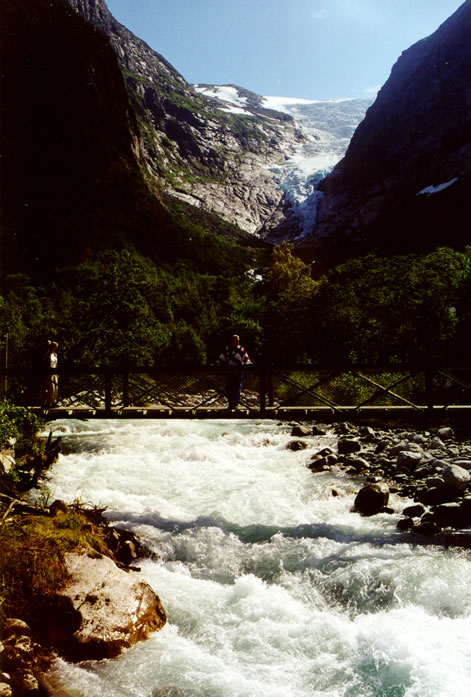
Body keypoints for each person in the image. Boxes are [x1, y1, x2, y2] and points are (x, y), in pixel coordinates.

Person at [215, 334, 252, 409]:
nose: (237, 342)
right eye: (236, 340)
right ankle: (231, 403)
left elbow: (246, 359)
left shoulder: (242, 349)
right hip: (229, 371)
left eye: (238, 341)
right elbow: (221, 358)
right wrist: (216, 363)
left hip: (239, 371)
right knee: (230, 387)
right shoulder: (227, 349)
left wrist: (248, 363)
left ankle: (236, 403)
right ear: (232, 341)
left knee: (237, 387)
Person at [41, 340, 59, 407]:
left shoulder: (55, 355)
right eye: (54, 347)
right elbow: (44, 364)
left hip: (55, 372)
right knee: (51, 388)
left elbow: (56, 364)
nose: (55, 349)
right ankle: (49, 403)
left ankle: (54, 402)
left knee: (56, 388)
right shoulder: (46, 355)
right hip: (49, 373)